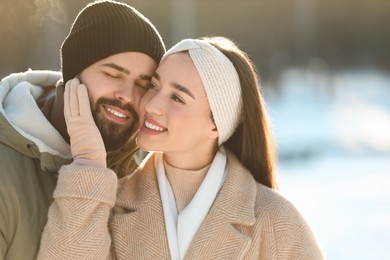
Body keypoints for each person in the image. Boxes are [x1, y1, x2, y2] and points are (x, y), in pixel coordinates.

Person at [38, 37, 324, 259]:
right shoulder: (108, 203)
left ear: (216, 124)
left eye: (177, 98)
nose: (151, 105)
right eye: (153, 86)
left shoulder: (277, 223)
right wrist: (88, 162)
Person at [0, 0, 165, 259]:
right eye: (113, 74)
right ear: (72, 76)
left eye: (143, 84)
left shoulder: (138, 176)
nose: (128, 96)